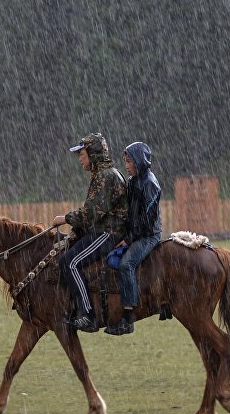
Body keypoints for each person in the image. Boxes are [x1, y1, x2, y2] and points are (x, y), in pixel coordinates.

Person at [51, 133, 128, 332]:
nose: (80, 158)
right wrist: (72, 235)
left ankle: (87, 315)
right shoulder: (102, 174)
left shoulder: (105, 176)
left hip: (108, 233)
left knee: (69, 262)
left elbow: (91, 214)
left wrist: (65, 219)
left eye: (82, 153)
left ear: (93, 154)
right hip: (102, 230)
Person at [105, 141, 161, 335]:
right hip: (134, 234)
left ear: (140, 161)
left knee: (126, 265)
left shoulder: (150, 185)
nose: (126, 166)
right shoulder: (132, 181)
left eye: (129, 162)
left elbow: (146, 221)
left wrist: (128, 240)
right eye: (125, 162)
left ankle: (128, 316)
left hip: (149, 236)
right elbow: (129, 214)